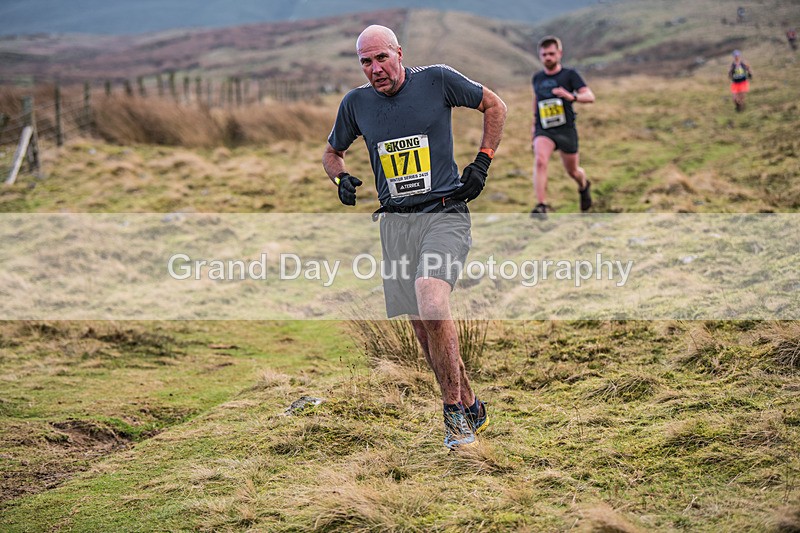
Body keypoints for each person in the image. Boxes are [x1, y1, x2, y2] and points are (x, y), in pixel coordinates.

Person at [322, 25, 507, 449]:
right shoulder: (356, 104)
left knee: (431, 296)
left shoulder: (437, 80)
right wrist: (340, 180)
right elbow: (332, 151)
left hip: (444, 214)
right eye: (365, 62)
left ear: (399, 53)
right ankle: (470, 402)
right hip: (396, 225)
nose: (375, 69)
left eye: (381, 58)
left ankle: (453, 417)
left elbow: (494, 105)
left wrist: (482, 163)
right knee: (424, 327)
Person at [529, 35, 595, 219]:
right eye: (544, 54)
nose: (547, 57)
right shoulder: (537, 78)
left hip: (566, 130)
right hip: (545, 129)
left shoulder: (570, 75)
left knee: (573, 171)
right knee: (540, 161)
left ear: (559, 53)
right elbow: (537, 100)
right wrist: (535, 125)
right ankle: (541, 206)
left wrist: (571, 96)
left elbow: (590, 96)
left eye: (551, 53)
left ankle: (584, 185)